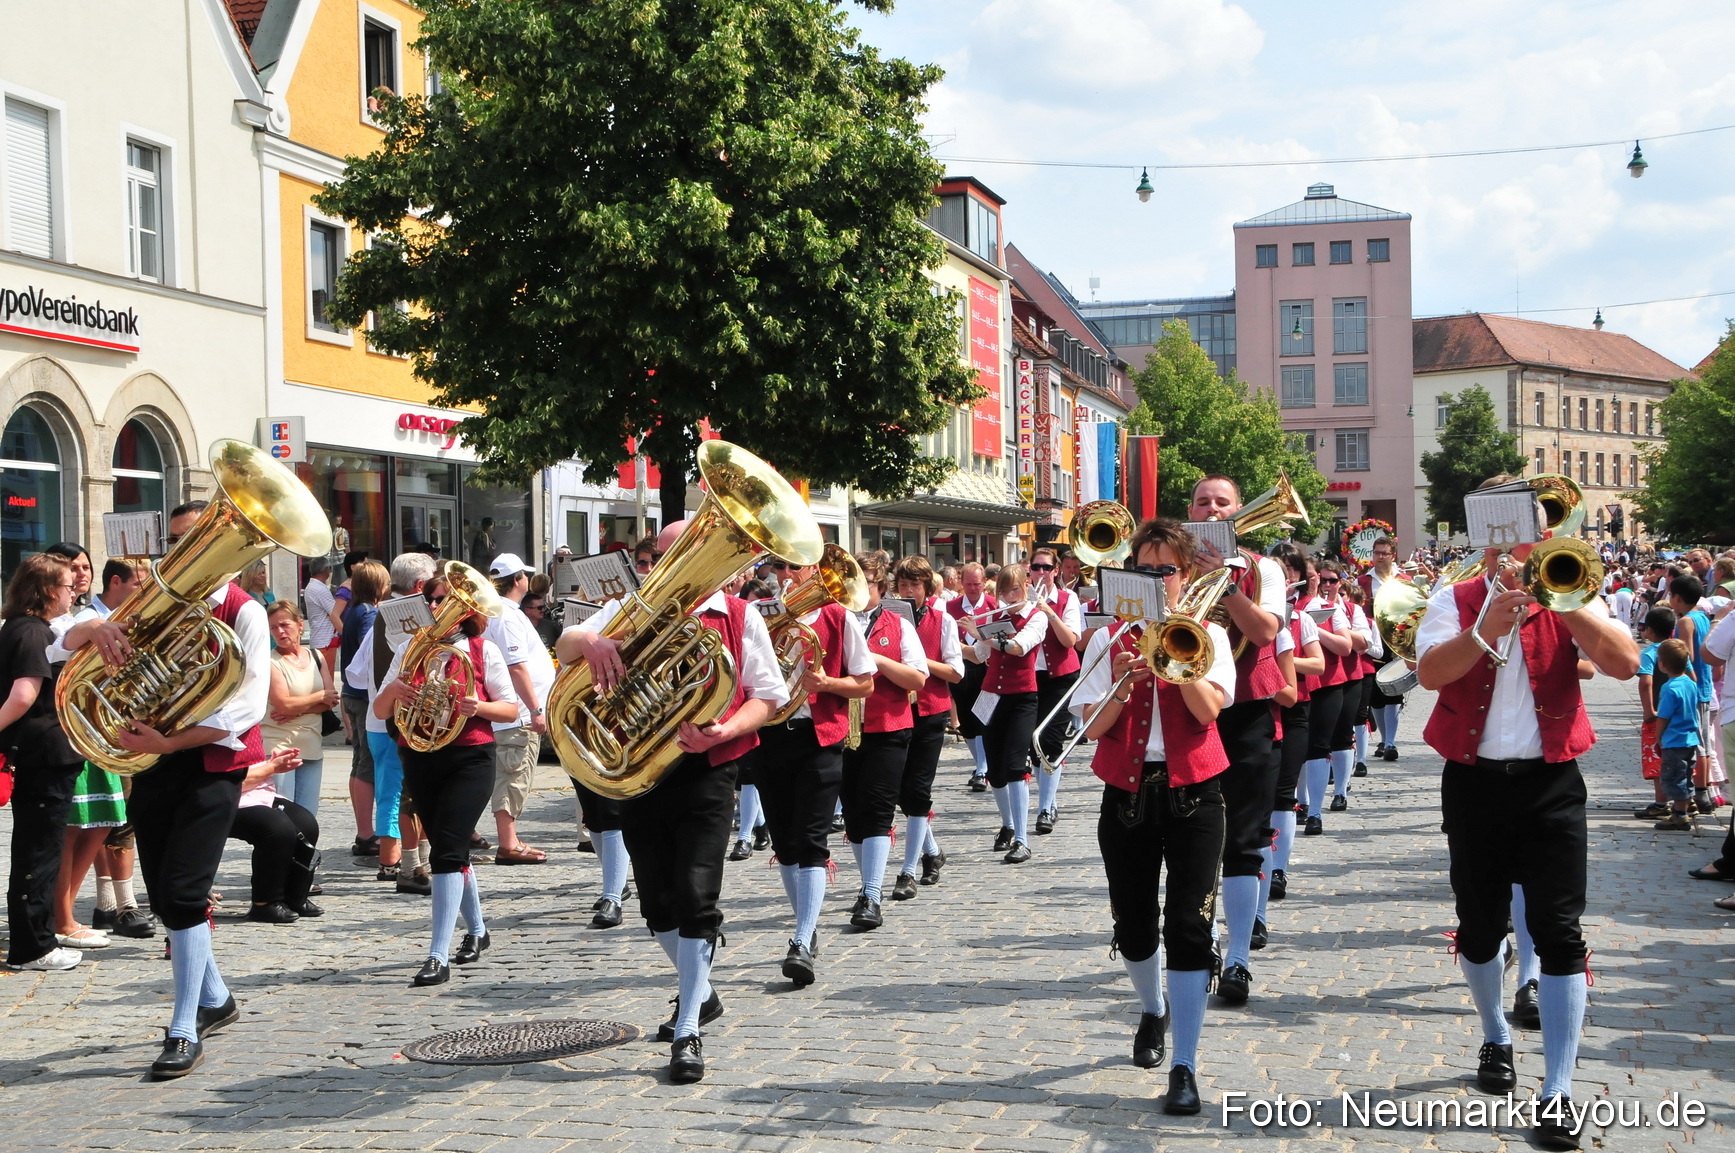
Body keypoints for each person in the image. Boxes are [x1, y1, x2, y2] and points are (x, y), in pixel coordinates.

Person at [1414, 475, 1637, 1152]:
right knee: (1479, 928)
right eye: (1498, 527)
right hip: (1474, 781)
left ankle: (1558, 1090)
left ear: (1544, 534)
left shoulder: (1575, 589)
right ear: (1480, 533)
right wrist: (1486, 624)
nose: (1512, 542)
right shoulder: (1452, 598)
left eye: (1525, 529)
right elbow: (1430, 674)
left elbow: (1624, 663)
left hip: (1550, 781)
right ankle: (1495, 1034)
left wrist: (1562, 603)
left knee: (1559, 931)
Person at [560, 519, 790, 1083]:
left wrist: (725, 728)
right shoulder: (627, 609)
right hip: (639, 771)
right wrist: (592, 642)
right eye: (661, 555)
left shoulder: (740, 616)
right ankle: (702, 992)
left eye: (685, 551)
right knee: (657, 906)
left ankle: (688, 1029)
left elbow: (769, 696)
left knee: (695, 896)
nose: (670, 564)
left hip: (708, 771)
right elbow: (563, 646)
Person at [1070, 518, 1236, 1116]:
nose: (1157, 579)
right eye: (1145, 570)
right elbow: (1093, 728)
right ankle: (1152, 1008)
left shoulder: (1208, 635)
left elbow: (1209, 711)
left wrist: (1176, 659)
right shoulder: (1107, 639)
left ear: (1186, 575)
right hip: (1127, 793)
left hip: (1196, 792)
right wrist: (1121, 681)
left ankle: (1185, 1064)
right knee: (1135, 922)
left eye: (1167, 570)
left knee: (1190, 926)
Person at [112, 499, 277, 1079]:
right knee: (163, 897)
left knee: (184, 894)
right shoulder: (149, 601)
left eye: (200, 537)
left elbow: (249, 705)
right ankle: (216, 999)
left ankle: (183, 1028)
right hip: (155, 762)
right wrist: (99, 629)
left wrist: (171, 740)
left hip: (212, 765)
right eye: (178, 540)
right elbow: (67, 646)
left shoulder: (244, 611)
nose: (186, 550)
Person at [374, 568, 518, 986]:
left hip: (469, 759)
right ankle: (478, 930)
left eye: (444, 599)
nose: (436, 606)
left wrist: (479, 707)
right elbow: (380, 711)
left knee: (446, 853)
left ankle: (437, 955)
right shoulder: (410, 647)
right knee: (447, 850)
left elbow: (511, 709)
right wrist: (394, 691)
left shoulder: (483, 650)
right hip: (420, 756)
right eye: (433, 599)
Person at [750, 545, 873, 985]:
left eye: (795, 566)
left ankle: (802, 939)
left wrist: (827, 683)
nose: (785, 573)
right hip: (769, 736)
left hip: (819, 738)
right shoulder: (758, 615)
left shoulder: (838, 617)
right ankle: (807, 923)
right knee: (784, 842)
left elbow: (865, 683)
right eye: (779, 565)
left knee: (810, 838)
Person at [1186, 475, 1287, 1006]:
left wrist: (1225, 586)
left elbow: (1266, 632)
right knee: (1193, 838)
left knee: (1244, 839)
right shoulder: (1171, 563)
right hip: (1189, 708)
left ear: (1239, 510)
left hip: (1245, 710)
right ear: (1190, 510)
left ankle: (1240, 959)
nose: (1212, 510)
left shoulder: (1263, 568)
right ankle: (1202, 942)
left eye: (1222, 503)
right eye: (1203, 502)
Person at [1, 552, 87, 971]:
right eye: (68, 587)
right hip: (44, 754)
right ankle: (33, 947)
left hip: (42, 753)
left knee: (37, 850)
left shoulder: (21, 627)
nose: (73, 594)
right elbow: (23, 695)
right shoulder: (33, 632)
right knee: (39, 853)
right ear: (49, 590)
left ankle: (37, 939)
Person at [44, 543, 128, 951]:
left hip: (98, 729)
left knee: (103, 820)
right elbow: (66, 643)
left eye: (84, 567)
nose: (81, 574)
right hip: (68, 730)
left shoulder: (79, 616)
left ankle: (65, 910)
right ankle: (61, 917)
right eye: (72, 568)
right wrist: (96, 627)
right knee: (71, 827)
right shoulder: (62, 621)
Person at [838, 554, 928, 929]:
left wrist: (876, 659)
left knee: (878, 810)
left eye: (867, 582)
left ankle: (871, 895)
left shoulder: (898, 624)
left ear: (881, 587)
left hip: (889, 727)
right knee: (854, 815)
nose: (857, 590)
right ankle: (868, 885)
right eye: (851, 582)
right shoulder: (835, 620)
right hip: (842, 729)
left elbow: (918, 679)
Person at [69, 559, 154, 940]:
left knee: (118, 817)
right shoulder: (88, 619)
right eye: (139, 584)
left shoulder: (138, 616)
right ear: (116, 582)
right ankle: (122, 904)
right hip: (100, 729)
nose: (144, 592)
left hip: (133, 724)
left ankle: (110, 904)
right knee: (110, 817)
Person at [344, 554, 436, 893]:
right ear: (420, 585)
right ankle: (393, 861)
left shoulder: (379, 614)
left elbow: (355, 672)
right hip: (398, 721)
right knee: (400, 792)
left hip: (377, 718)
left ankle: (398, 860)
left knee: (392, 789)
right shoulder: (404, 615)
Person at [960, 564, 1048, 863]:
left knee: (1014, 766)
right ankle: (1008, 826)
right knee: (995, 770)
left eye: (1015, 590)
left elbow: (1018, 647)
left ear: (1026, 587)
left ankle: (1022, 840)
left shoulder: (1036, 617)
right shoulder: (995, 617)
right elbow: (979, 655)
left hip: (1022, 697)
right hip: (991, 696)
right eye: (1004, 591)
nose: (1009, 597)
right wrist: (949, 642)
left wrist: (980, 634)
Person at [1259, 545, 1324, 942]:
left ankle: (1278, 868)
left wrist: (1281, 662)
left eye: (1289, 573)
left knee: (1283, 794)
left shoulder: (1300, 620)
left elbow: (1317, 664)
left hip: (1293, 708)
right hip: (1257, 711)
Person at [890, 556, 963, 897]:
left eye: (914, 585)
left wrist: (919, 662)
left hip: (930, 711)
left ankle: (908, 871)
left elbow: (956, 672)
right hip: (896, 711)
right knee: (901, 791)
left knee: (918, 790)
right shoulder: (888, 618)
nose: (908, 591)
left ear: (926, 588)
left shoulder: (942, 619)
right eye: (903, 585)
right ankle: (932, 851)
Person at [484, 553, 557, 866]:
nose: (527, 579)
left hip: (514, 712)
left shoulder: (502, 611)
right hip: (518, 715)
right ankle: (508, 843)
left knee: (512, 774)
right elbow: (516, 666)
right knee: (513, 775)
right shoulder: (506, 615)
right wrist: (535, 708)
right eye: (524, 575)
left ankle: (508, 839)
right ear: (517, 580)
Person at [1294, 563, 1356, 838]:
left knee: (1319, 746)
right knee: (1297, 747)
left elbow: (1345, 646)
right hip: (1297, 684)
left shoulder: (1329, 607)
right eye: (1303, 576)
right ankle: (1301, 802)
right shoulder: (1284, 606)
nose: (1309, 581)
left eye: (1313, 577)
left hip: (1328, 683)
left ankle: (1315, 813)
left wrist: (1312, 628)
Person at [228, 746, 323, 922]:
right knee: (276, 828)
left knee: (306, 824)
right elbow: (229, 782)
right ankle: (265, 903)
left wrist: (271, 764)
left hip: (258, 791)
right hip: (224, 796)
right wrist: (271, 767)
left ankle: (294, 897)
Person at [264, 601, 338, 816]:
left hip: (311, 744)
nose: (279, 631)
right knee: (282, 814)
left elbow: (332, 699)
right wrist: (318, 697)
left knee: (308, 816)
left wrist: (298, 709)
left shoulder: (316, 656)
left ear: (300, 625)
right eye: (273, 627)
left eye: (284, 625)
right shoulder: (270, 662)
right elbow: (283, 704)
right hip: (279, 746)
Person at [1026, 546, 1081, 833]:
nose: (1041, 573)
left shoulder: (1067, 598)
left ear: (1056, 571)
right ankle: (1049, 800)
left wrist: (1048, 612)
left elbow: (1070, 640)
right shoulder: (1021, 598)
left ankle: (1045, 808)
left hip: (1061, 677)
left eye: (1047, 568)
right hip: (1029, 677)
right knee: (1033, 745)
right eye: (1036, 567)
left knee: (1050, 741)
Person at [337, 560, 390, 857]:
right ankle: (367, 834)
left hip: (351, 694)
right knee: (367, 763)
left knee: (359, 761)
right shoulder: (370, 613)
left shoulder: (354, 610)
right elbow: (372, 651)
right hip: (364, 696)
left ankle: (363, 830)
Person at [947, 563, 996, 790]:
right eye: (968, 584)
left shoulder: (994, 606)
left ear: (984, 582)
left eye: (977, 584)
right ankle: (981, 765)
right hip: (961, 666)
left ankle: (983, 770)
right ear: (961, 583)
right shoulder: (951, 606)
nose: (973, 588)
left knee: (982, 718)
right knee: (966, 722)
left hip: (986, 667)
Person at [1359, 536, 1406, 761]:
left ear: (1392, 555)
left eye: (1384, 553)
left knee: (1394, 691)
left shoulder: (1403, 580)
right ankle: (1385, 740)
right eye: (1376, 552)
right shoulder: (1363, 580)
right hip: (1374, 641)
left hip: (1396, 642)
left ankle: (1390, 742)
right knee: (1376, 694)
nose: (1379, 557)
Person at [1652, 639, 1700, 830]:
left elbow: (1663, 716)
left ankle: (1680, 816)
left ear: (1662, 663)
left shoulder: (1669, 688)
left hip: (1674, 741)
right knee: (1686, 776)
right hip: (1690, 739)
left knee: (1673, 778)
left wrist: (1658, 735)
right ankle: (1684, 809)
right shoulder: (1691, 683)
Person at [302, 558, 339, 680]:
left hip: (321, 639)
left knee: (322, 679)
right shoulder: (319, 589)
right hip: (325, 642)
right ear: (325, 570)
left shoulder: (312, 587)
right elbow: (335, 612)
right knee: (326, 680)